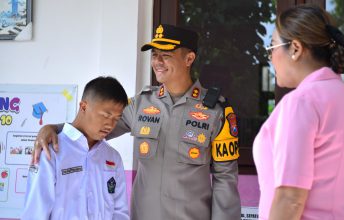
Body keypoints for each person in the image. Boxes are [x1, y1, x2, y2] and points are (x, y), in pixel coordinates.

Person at [32, 24, 241, 220]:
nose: (157, 62)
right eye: (154, 55)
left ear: (189, 59)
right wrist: (54, 128)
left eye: (166, 55)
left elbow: (225, 180)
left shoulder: (216, 111)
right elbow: (91, 128)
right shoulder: (141, 103)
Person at [253, 4, 344, 220]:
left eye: (272, 47)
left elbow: (290, 199)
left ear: (295, 49)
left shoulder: (301, 102)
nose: (270, 58)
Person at [22, 77, 130, 220]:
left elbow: (120, 211)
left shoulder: (112, 157)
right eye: (106, 115)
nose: (110, 124)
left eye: (116, 118)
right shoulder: (52, 150)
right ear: (84, 106)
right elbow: (35, 212)